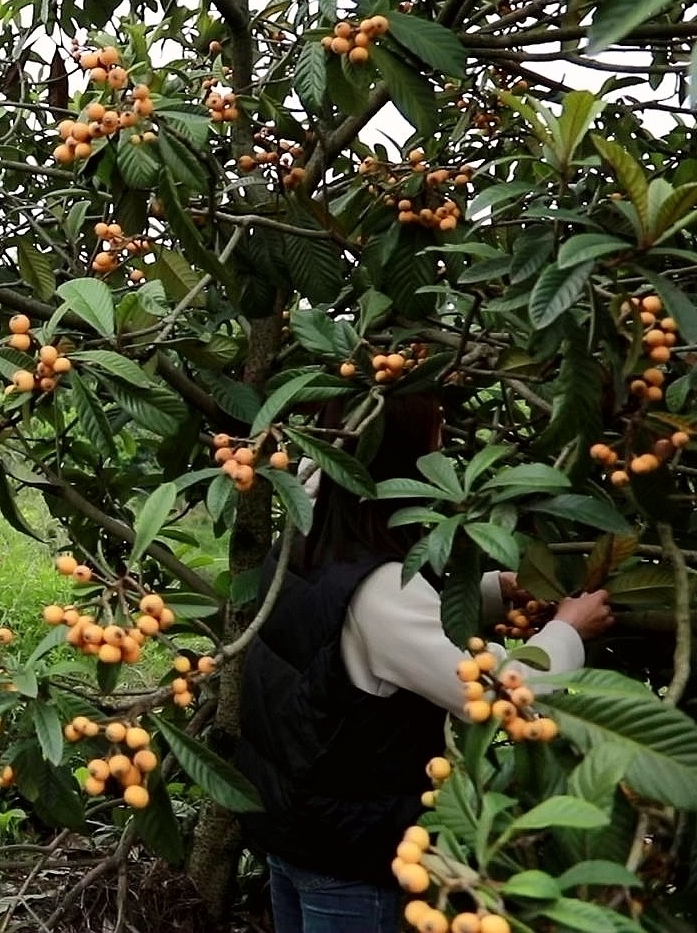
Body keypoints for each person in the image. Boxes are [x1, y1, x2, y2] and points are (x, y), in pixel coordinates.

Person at [236, 394, 614, 933]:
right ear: (406, 459)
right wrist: (569, 630)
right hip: (351, 855)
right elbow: (505, 694)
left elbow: (365, 605)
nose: (443, 442)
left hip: (290, 824)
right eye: (434, 430)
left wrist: (489, 592)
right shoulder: (378, 595)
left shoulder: (314, 508)